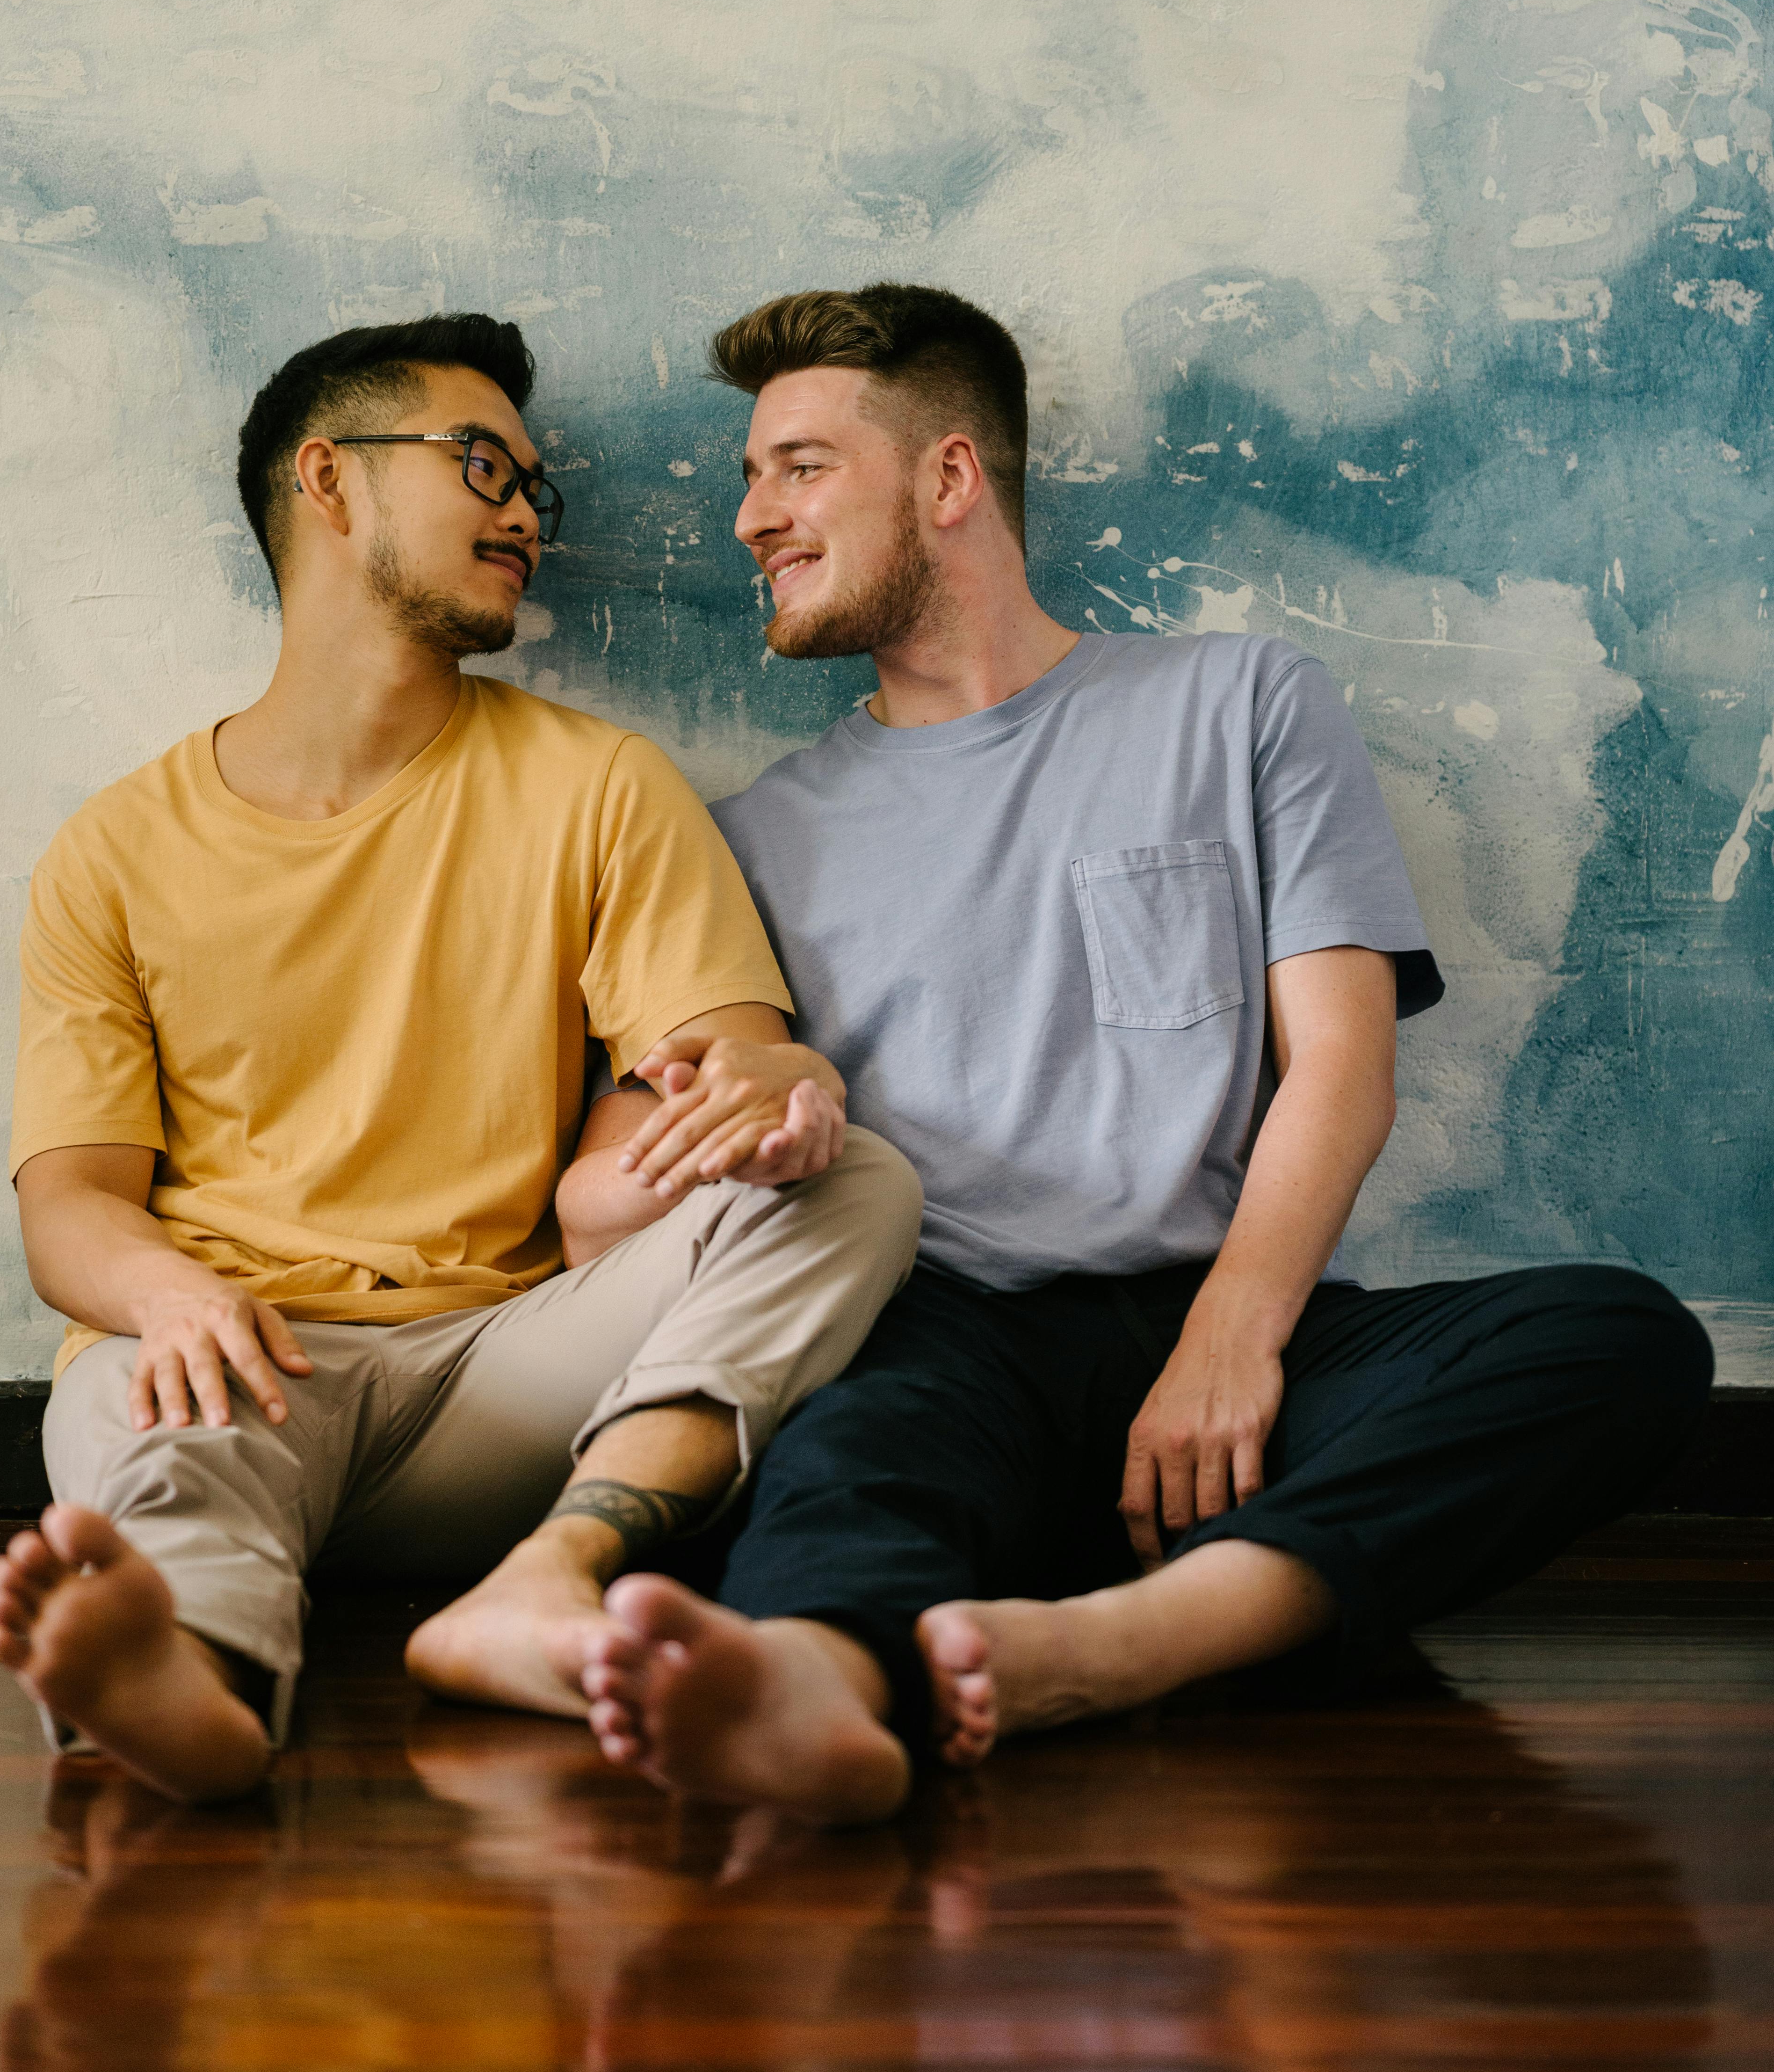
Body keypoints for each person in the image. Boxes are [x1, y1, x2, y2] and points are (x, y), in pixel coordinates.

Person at [580, 284, 1716, 1825]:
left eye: (795, 467)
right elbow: (607, 1185)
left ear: (950, 478)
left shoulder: (1237, 701)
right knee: (844, 1454)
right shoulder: (755, 835)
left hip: (1217, 1333)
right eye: (748, 476)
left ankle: (1116, 1647)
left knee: (1619, 1341)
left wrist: (1233, 1338)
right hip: (941, 1339)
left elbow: (1344, 1064)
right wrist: (747, 1136)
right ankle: (824, 1695)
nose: (748, 518)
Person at [0, 313, 921, 1804]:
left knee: (856, 1177)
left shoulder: (597, 786)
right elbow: (72, 1206)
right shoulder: (115, 851)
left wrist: (774, 1096)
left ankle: (553, 1575)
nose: (524, 513)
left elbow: (728, 1058)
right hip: (245, 1365)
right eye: (483, 464)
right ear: (328, 480)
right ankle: (194, 1681)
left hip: (507, 1383)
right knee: (129, 1397)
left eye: (537, 487)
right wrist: (174, 1294)